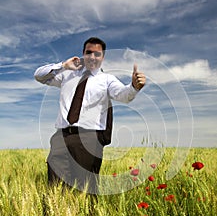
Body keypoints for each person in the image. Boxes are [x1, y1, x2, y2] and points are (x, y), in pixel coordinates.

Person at [34, 37, 146, 194]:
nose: (92, 57)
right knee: (54, 185)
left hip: (89, 138)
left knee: (87, 187)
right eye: (89, 53)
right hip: (61, 136)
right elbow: (39, 76)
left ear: (103, 57)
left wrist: (134, 86)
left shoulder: (107, 80)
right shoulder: (68, 74)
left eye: (97, 54)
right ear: (83, 54)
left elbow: (123, 95)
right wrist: (63, 65)